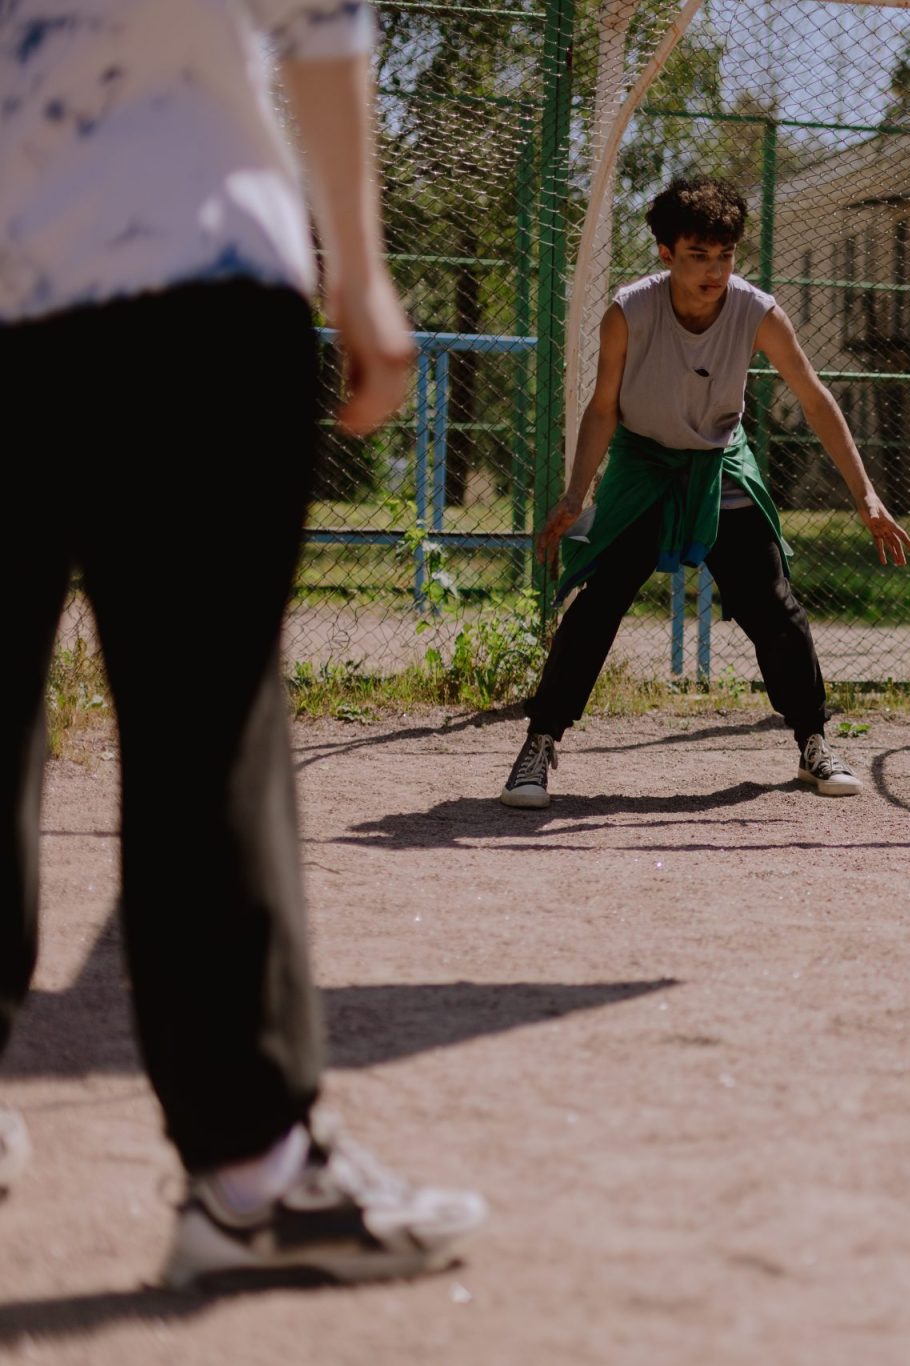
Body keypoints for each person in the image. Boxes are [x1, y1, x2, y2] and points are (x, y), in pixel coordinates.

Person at [0, 0, 485, 1285]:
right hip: (179, 271)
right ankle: (252, 1170)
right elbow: (318, 15)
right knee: (204, 726)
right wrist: (361, 271)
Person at [500, 179, 910, 808]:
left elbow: (813, 397)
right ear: (665, 252)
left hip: (720, 462)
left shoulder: (757, 311)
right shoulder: (629, 311)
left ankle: (813, 742)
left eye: (724, 255)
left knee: (774, 605)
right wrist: (573, 496)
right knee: (599, 602)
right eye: (699, 255)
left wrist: (867, 496)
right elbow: (603, 408)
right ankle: (539, 744)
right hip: (645, 464)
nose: (715, 270)